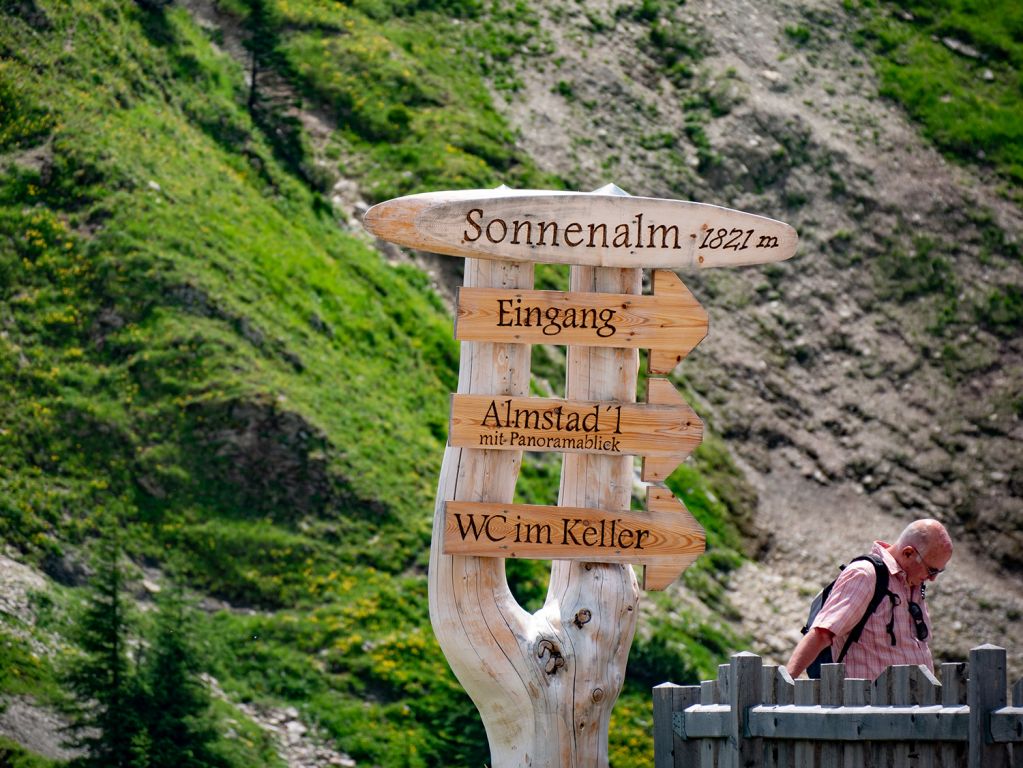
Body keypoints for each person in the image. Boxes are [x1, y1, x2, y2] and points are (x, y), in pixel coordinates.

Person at [786, 518, 953, 681]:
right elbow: (822, 633)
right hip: (868, 705)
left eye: (939, 572)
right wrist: (785, 684)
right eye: (931, 571)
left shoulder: (913, 583)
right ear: (908, 553)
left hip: (910, 705)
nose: (933, 579)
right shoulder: (865, 575)